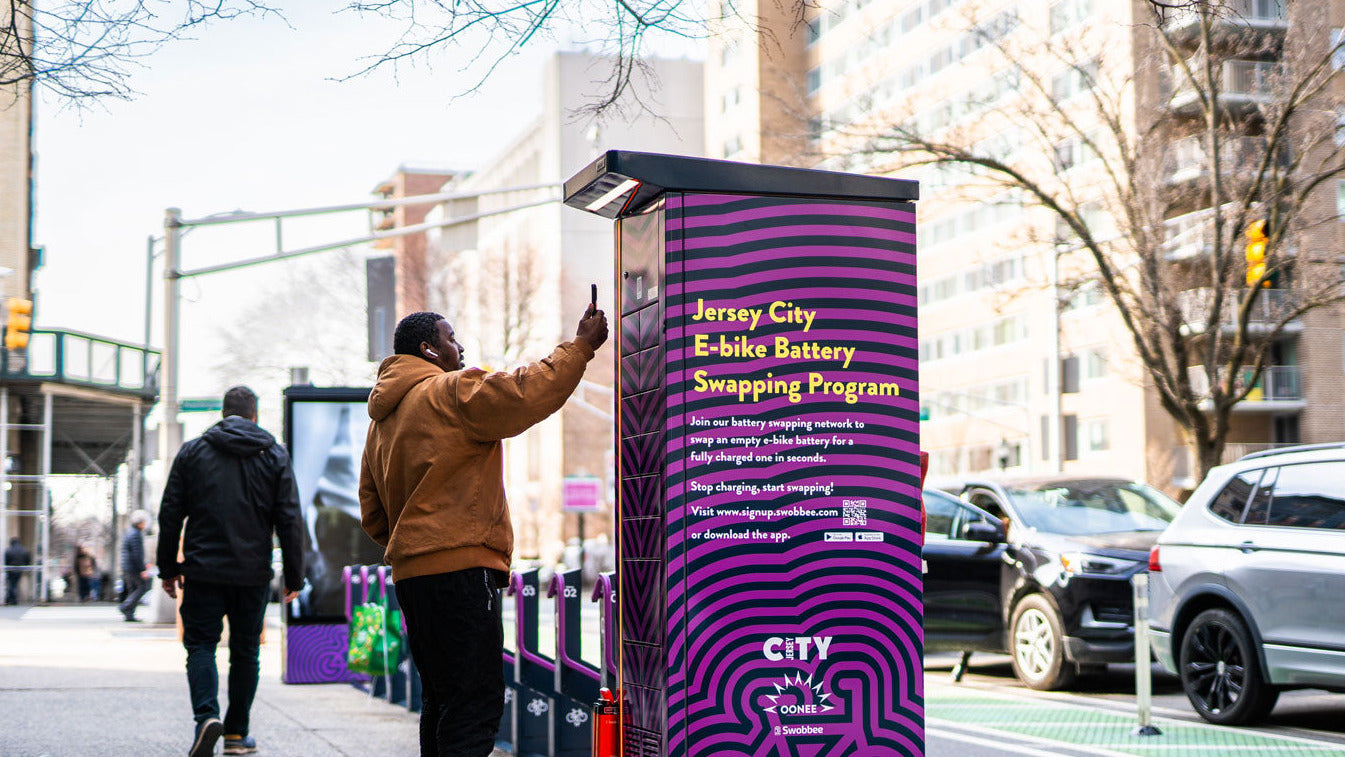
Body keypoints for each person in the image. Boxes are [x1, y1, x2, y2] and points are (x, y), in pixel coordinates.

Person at [360, 303, 608, 757]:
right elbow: (526, 393)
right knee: (475, 704)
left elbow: (374, 516)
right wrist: (581, 347)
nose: (461, 346)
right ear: (429, 349)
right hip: (461, 572)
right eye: (451, 338)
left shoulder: (382, 423)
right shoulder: (451, 391)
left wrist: (419, 539)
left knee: (441, 700)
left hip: (412, 579)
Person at [158, 386, 305, 757]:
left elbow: (171, 512)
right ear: (254, 416)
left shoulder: (193, 451)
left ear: (223, 414)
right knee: (244, 652)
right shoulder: (273, 454)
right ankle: (237, 735)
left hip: (203, 570)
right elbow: (289, 518)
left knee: (201, 646)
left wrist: (167, 568)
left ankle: (206, 718)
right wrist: (294, 575)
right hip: (252, 573)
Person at [117, 510, 153, 621]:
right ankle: (126, 606)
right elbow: (137, 553)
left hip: (128, 566)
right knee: (144, 586)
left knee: (133, 589)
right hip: (133, 567)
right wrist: (142, 569)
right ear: (140, 522)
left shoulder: (130, 532)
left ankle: (129, 614)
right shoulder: (136, 535)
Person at [4, 536, 31, 605]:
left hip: (10, 569)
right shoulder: (24, 550)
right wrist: (25, 566)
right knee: (15, 584)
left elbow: (6, 560)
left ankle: (12, 599)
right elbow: (28, 559)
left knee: (12, 584)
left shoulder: (9, 550)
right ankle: (12, 598)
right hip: (20, 569)